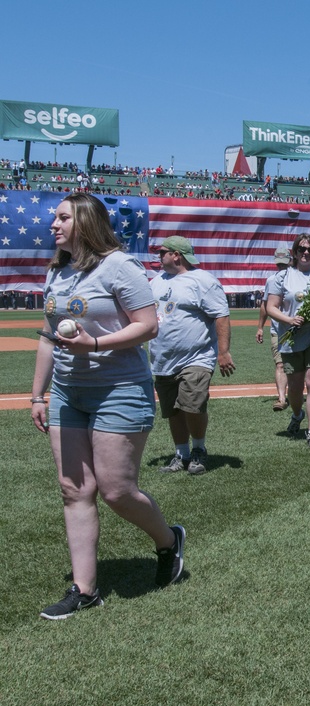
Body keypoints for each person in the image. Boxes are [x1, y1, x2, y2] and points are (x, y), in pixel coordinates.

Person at [30, 192, 185, 620]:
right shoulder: (57, 271)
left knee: (117, 490)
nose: (54, 225)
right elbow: (47, 337)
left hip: (119, 389)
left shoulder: (120, 266)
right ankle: (84, 590)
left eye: (63, 218)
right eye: (54, 218)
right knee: (74, 491)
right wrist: (38, 394)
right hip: (67, 393)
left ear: (85, 222)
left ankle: (169, 541)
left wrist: (93, 343)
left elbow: (147, 325)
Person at [149, 236, 235, 475]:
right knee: (173, 410)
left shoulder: (203, 281)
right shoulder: (155, 282)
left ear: (177, 255)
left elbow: (221, 315)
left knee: (192, 405)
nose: (159, 256)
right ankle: (181, 454)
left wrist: (223, 352)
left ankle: (199, 449)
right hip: (162, 359)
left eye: (162, 252)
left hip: (195, 357)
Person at [265, 233, 310, 448]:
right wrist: (289, 319)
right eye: (301, 249)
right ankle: (297, 414)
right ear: (294, 252)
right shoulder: (282, 277)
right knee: (295, 388)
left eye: (309, 249)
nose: (305, 253)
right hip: (291, 338)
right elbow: (271, 307)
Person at [256, 248, 292, 411]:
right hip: (280, 328)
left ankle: (289, 395)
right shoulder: (272, 280)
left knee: (286, 365)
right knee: (280, 364)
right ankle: (282, 397)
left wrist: (260, 327)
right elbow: (265, 306)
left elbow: (265, 306)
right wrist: (260, 327)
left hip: (293, 328)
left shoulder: (294, 278)